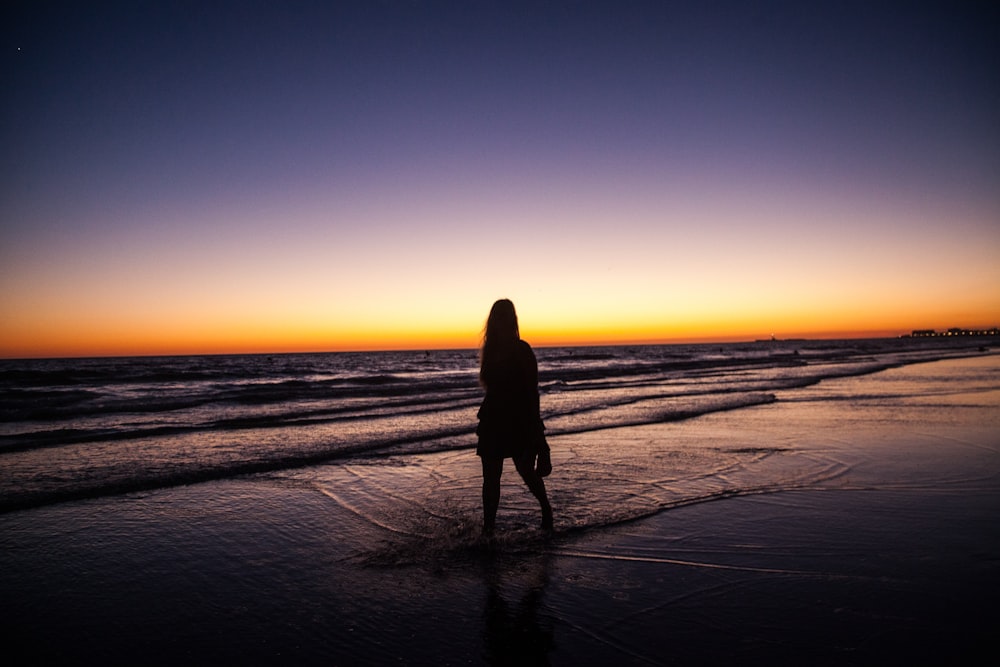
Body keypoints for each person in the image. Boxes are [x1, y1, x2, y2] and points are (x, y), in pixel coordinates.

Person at [476, 299, 553, 536]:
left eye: (504, 316)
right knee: (490, 478)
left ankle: (546, 509)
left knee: (526, 470)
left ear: (511, 320)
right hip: (492, 419)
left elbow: (532, 392)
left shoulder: (522, 350)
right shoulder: (490, 351)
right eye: (497, 317)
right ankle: (488, 529)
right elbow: (491, 389)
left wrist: (537, 432)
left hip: (517, 420)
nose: (500, 321)